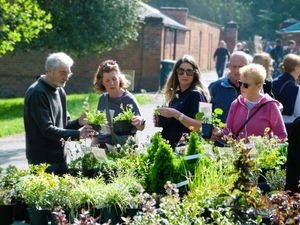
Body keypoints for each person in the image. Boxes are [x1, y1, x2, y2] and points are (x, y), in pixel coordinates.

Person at [24, 52, 93, 175]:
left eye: (68, 73)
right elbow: (47, 130)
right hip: (42, 162)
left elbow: (63, 126)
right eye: (63, 73)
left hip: (60, 157)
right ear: (50, 71)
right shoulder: (37, 93)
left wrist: (78, 122)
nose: (67, 77)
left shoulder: (60, 90)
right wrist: (78, 134)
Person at [157, 55, 210, 149]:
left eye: (189, 71)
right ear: (176, 73)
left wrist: (176, 114)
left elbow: (204, 127)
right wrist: (161, 119)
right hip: (170, 146)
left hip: (186, 149)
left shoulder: (197, 94)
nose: (184, 75)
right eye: (181, 71)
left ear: (195, 74)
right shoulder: (175, 93)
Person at [225, 64, 287, 140]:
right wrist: (217, 134)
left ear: (259, 85)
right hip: (237, 151)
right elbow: (227, 132)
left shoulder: (270, 105)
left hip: (262, 151)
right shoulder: (236, 103)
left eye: (246, 85)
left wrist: (267, 147)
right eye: (240, 83)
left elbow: (282, 135)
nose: (241, 87)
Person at [92, 60, 145, 147]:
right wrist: (93, 147)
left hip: (122, 149)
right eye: (107, 81)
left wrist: (140, 121)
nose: (111, 83)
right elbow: (99, 128)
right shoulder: (102, 99)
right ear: (102, 83)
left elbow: (141, 127)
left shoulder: (128, 99)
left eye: (114, 79)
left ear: (119, 79)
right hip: (102, 147)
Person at [209, 51, 249, 122]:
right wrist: (208, 131)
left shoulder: (254, 88)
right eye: (234, 66)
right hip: (219, 132)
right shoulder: (214, 87)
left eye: (241, 67)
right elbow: (205, 114)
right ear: (229, 66)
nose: (237, 71)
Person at [272, 54, 300, 123]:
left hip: (271, 123)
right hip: (288, 126)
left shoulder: (273, 82)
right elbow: (298, 114)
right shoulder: (296, 88)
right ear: (296, 68)